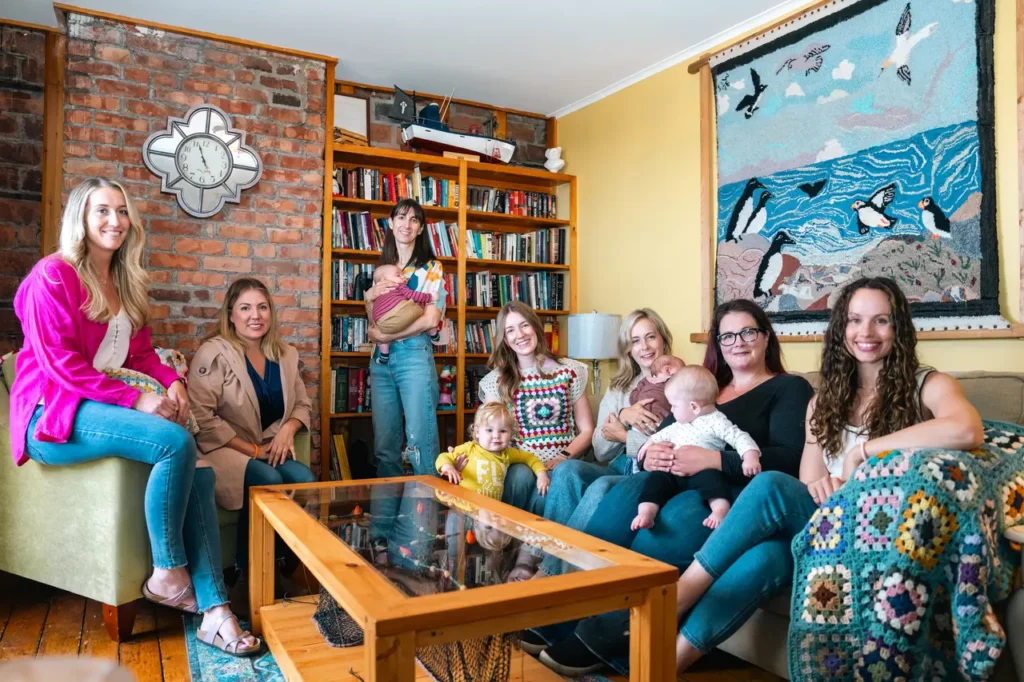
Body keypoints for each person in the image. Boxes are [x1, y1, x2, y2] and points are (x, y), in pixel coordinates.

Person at [667, 277, 983, 674]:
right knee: (771, 555)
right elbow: (806, 484)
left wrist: (862, 452)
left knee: (768, 484)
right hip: (823, 524)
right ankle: (666, 664)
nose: (865, 333)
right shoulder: (823, 401)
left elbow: (967, 429)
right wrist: (826, 488)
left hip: (882, 530)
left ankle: (681, 593)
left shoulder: (929, 385)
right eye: (854, 320)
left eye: (881, 320)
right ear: (841, 329)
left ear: (898, 328)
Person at [8, 178, 258, 656]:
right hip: (53, 412)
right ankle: (166, 572)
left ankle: (215, 612)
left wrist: (171, 380)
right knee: (174, 441)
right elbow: (61, 364)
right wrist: (134, 400)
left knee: (200, 473)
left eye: (122, 212)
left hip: (97, 405)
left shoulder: (123, 281)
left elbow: (141, 355)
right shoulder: (51, 276)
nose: (115, 222)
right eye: (102, 211)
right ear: (80, 217)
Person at [532, 298, 813, 676]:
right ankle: (562, 614)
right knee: (622, 498)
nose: (738, 342)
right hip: (669, 479)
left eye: (748, 332)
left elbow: (789, 460)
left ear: (766, 337)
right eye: (727, 335)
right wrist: (651, 455)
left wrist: (715, 460)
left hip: (726, 492)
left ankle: (604, 639)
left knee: (668, 525)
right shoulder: (705, 384)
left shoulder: (787, 387)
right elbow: (661, 433)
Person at [510, 308, 675, 581]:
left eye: (650, 337)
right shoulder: (620, 387)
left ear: (663, 340)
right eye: (635, 341)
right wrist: (623, 415)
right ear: (628, 349)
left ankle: (549, 573)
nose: (644, 347)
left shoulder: (679, 382)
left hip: (648, 471)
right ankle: (533, 552)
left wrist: (623, 435)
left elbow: (670, 443)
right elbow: (600, 449)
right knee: (567, 470)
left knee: (599, 487)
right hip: (619, 465)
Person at [187, 277, 316, 606]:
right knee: (268, 479)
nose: (254, 315)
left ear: (271, 313)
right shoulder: (214, 352)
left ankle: (280, 564)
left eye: (262, 307)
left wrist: (289, 429)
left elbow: (302, 404)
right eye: (245, 308)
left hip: (268, 448)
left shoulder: (285, 354)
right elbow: (202, 417)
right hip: (225, 450)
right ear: (231, 314)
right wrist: (254, 451)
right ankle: (246, 577)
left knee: (304, 479)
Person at [363, 198, 446, 560]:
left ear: (422, 227)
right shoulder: (380, 269)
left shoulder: (431, 269)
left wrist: (387, 337)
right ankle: (381, 535)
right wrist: (369, 298)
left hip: (413, 355)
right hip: (381, 363)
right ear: (391, 223)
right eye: (401, 217)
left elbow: (431, 320)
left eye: (414, 219)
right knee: (385, 450)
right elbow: (373, 320)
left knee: (421, 447)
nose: (406, 224)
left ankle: (421, 537)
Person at [632, 365, 760, 532]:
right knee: (655, 481)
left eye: (674, 406)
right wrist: (648, 445)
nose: (671, 410)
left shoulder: (717, 421)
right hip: (671, 472)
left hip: (702, 471)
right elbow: (661, 434)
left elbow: (739, 437)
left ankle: (720, 511)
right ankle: (646, 513)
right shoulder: (681, 423)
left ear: (694, 407)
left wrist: (750, 457)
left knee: (714, 481)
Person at [436, 402, 550, 500]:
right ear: (477, 432)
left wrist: (542, 475)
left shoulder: (507, 453)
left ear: (511, 433)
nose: (496, 436)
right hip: (463, 505)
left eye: (503, 431)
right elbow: (443, 457)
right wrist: (448, 467)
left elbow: (530, 458)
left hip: (491, 512)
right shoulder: (470, 448)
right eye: (489, 430)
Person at [368, 263, 439, 364]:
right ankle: (433, 332)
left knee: (381, 337)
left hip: (382, 323)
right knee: (421, 307)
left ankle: (384, 355)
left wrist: (368, 298)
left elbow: (372, 322)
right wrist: (430, 297)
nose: (403, 277)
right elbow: (412, 295)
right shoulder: (398, 286)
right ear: (384, 279)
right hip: (400, 314)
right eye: (398, 275)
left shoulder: (376, 294)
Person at [628, 354, 685, 425]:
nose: (682, 378)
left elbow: (633, 396)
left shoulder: (645, 381)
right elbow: (634, 396)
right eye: (681, 374)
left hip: (660, 421)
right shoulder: (646, 381)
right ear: (667, 370)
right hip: (641, 418)